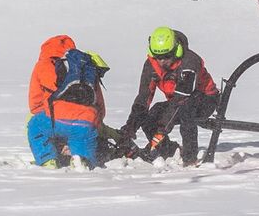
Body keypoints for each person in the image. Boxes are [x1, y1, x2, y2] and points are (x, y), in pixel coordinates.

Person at [119, 27, 218, 166]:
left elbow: (182, 98)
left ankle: (189, 158)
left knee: (186, 111)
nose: (162, 61)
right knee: (151, 115)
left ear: (176, 50)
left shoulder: (189, 62)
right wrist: (130, 127)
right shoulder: (151, 65)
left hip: (204, 99)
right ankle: (170, 151)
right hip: (177, 101)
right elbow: (143, 97)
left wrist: (162, 130)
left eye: (166, 56)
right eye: (158, 57)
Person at [27, 34, 110, 169]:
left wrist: (54, 113)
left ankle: (48, 159)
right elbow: (100, 106)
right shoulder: (85, 66)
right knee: (83, 155)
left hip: (55, 120)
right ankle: (79, 158)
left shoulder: (43, 65)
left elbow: (34, 105)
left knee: (34, 125)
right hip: (86, 123)